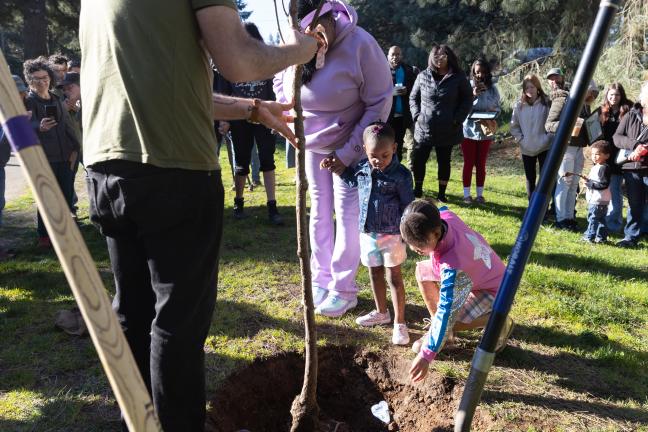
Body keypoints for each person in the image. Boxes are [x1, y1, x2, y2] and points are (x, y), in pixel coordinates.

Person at [79, 0, 317, 430]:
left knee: (133, 312)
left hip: (107, 170)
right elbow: (241, 61)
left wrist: (250, 110)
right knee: (177, 324)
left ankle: (139, 421)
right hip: (173, 173)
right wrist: (299, 51)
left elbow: (171, 92)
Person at [274, 0, 393, 318]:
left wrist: (348, 153)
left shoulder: (361, 45)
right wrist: (286, 113)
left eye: (314, 29)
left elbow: (379, 101)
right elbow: (280, 78)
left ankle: (343, 289)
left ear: (328, 17)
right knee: (319, 215)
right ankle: (322, 279)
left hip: (348, 151)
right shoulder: (298, 39)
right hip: (311, 148)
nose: (311, 38)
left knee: (347, 215)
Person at [399, 199, 513, 382]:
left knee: (449, 321)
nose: (414, 249)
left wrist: (427, 354)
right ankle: (445, 337)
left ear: (436, 233)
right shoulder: (444, 217)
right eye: (410, 244)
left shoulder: (453, 267)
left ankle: (498, 319)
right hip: (478, 274)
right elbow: (437, 205)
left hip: (496, 290)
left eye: (419, 246)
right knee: (422, 270)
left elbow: (446, 312)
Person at [331, 122, 414, 345]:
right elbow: (352, 181)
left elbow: (408, 205)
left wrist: (408, 233)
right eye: (373, 155)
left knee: (393, 277)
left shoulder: (402, 175)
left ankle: (400, 322)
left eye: (384, 155)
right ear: (365, 151)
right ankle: (381, 312)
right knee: (374, 272)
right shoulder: (363, 168)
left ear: (395, 148)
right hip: (368, 232)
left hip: (392, 235)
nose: (378, 160)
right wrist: (338, 169)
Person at [217, 23, 284, 225]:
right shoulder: (228, 64)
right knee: (241, 161)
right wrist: (225, 118)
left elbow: (274, 91)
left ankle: (273, 207)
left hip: (264, 117)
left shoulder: (266, 63)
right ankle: (239, 204)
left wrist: (276, 117)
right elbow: (223, 93)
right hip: (239, 119)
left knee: (267, 160)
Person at [23, 57, 80, 247]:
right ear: (29, 80)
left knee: (65, 196)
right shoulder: (28, 102)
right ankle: (44, 236)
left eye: (45, 77)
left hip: (65, 157)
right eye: (37, 78)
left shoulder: (56, 99)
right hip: (43, 159)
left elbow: (66, 127)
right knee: (47, 198)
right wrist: (38, 127)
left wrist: (75, 149)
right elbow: (22, 129)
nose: (42, 81)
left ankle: (63, 234)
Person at [409, 44, 472, 200]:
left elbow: (467, 99)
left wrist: (457, 119)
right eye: (435, 56)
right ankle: (417, 189)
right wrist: (417, 115)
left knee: (444, 161)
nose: (439, 59)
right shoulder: (423, 75)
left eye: (443, 56)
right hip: (424, 128)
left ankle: (442, 194)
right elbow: (413, 97)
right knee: (418, 160)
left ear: (449, 57)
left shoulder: (458, 77)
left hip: (448, 128)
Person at [546, 75, 598, 231]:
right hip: (565, 148)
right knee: (564, 183)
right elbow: (549, 125)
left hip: (579, 148)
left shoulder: (585, 105)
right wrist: (568, 125)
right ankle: (561, 219)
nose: (591, 97)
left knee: (574, 184)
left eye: (593, 94)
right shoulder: (563, 101)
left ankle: (569, 218)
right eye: (589, 93)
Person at [612, 80, 648, 248]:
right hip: (631, 167)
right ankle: (631, 237)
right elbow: (617, 137)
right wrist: (634, 145)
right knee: (634, 203)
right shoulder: (631, 115)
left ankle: (644, 231)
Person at [461, 58, 501, 204]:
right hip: (468, 130)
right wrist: (474, 95)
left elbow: (497, 107)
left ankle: (479, 195)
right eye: (477, 72)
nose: (480, 75)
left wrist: (490, 108)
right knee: (468, 162)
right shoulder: (467, 86)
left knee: (481, 163)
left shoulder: (492, 89)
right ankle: (466, 195)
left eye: (483, 72)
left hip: (485, 130)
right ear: (473, 72)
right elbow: (462, 107)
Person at [510, 74, 552, 200]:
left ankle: (543, 207)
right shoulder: (519, 105)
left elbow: (552, 124)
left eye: (532, 87)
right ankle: (531, 206)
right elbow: (514, 126)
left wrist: (547, 138)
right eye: (527, 87)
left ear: (537, 87)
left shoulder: (546, 103)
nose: (529, 90)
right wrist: (521, 140)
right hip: (526, 148)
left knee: (544, 179)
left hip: (544, 147)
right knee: (530, 179)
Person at [600, 83, 633, 233]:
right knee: (603, 190)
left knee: (615, 190)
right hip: (603, 156)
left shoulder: (628, 111)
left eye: (617, 95)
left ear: (622, 95)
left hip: (620, 157)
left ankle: (614, 223)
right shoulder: (602, 111)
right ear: (607, 95)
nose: (614, 98)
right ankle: (602, 219)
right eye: (611, 94)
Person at [386, 45, 418, 164]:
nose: (395, 57)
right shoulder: (381, 70)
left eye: (398, 54)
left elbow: (416, 89)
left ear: (401, 56)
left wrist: (407, 90)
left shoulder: (409, 70)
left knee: (397, 146)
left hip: (403, 115)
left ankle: (397, 172)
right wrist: (389, 92)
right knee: (386, 145)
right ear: (387, 56)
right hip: (386, 116)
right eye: (392, 54)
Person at [578, 140, 612, 243]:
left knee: (593, 218)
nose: (594, 156)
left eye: (597, 154)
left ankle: (589, 237)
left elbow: (603, 184)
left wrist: (589, 184)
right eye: (593, 154)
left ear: (606, 155)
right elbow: (597, 181)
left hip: (598, 200)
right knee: (601, 220)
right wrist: (588, 180)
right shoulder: (597, 167)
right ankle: (601, 238)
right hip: (601, 200)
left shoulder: (603, 168)